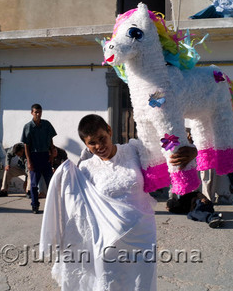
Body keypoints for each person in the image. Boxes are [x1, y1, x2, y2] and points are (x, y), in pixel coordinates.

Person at [40, 114, 197, 290]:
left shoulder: (135, 150)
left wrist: (191, 151)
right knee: (110, 284)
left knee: (142, 284)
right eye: (92, 143)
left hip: (142, 236)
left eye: (102, 138)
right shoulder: (85, 169)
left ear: (109, 130)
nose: (99, 146)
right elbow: (79, 209)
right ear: (86, 145)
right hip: (107, 243)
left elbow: (166, 153)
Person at [22, 104, 57, 214]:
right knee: (33, 184)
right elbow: (26, 145)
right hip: (34, 157)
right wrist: (29, 161)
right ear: (31, 113)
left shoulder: (46, 124)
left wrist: (51, 154)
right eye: (36, 112)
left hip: (45, 156)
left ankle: (53, 205)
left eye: (40, 112)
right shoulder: (28, 127)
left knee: (51, 183)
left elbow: (51, 140)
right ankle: (35, 205)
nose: (38, 114)